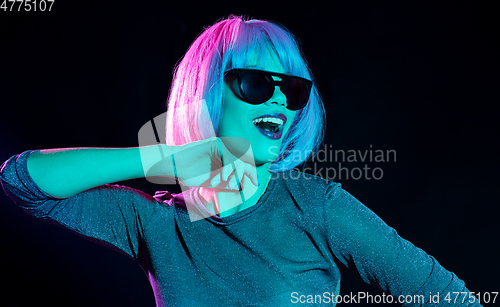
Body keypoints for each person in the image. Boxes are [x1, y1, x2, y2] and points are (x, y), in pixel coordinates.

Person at [0, 15, 482, 306]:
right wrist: (174, 156)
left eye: (291, 89)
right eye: (256, 84)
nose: (278, 101)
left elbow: (445, 295)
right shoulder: (157, 222)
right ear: (208, 94)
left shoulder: (316, 206)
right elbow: (25, 182)